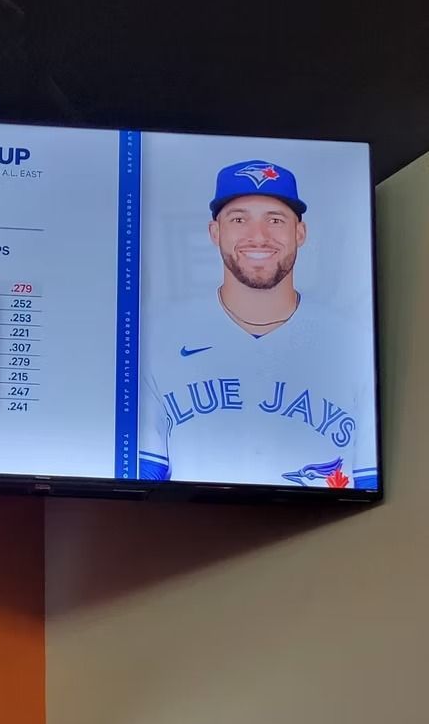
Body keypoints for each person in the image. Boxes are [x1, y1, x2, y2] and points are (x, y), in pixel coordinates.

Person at [138, 158, 378, 490]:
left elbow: (371, 482)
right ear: (215, 232)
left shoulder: (355, 344)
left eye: (275, 220)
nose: (258, 237)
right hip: (191, 520)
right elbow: (142, 478)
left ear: (300, 233)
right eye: (239, 219)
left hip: (323, 522)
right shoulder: (157, 338)